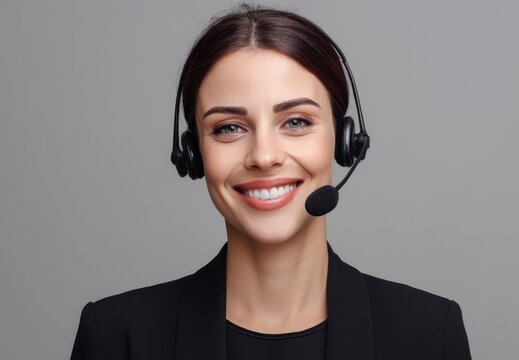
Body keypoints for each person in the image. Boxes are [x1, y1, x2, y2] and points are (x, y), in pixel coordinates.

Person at [69, 4, 472, 360]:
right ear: (193, 153)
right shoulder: (115, 338)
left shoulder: (429, 335)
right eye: (229, 127)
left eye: (295, 122)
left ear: (344, 140)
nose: (263, 156)